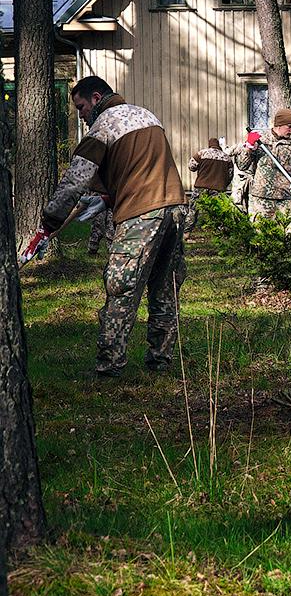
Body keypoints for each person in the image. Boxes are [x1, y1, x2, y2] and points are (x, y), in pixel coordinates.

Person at [20, 76, 187, 377]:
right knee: (165, 289)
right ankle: (160, 361)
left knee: (121, 287)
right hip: (175, 208)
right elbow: (139, 167)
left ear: (96, 98)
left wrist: (48, 223)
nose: (81, 116)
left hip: (141, 213)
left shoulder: (104, 126)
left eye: (81, 108)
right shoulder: (146, 115)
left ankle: (109, 366)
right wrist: (107, 198)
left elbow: (74, 181)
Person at [233, 108, 291, 220]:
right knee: (261, 235)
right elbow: (242, 165)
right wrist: (248, 147)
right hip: (260, 200)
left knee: (290, 235)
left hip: (286, 199)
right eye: (289, 126)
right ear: (279, 125)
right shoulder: (260, 141)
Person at [184, 137, 235, 233]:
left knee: (193, 210)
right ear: (218, 145)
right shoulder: (226, 157)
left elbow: (191, 166)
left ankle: (186, 232)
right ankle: (220, 233)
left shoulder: (202, 153)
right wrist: (223, 184)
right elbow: (230, 175)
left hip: (201, 187)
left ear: (209, 144)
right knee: (219, 211)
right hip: (218, 188)